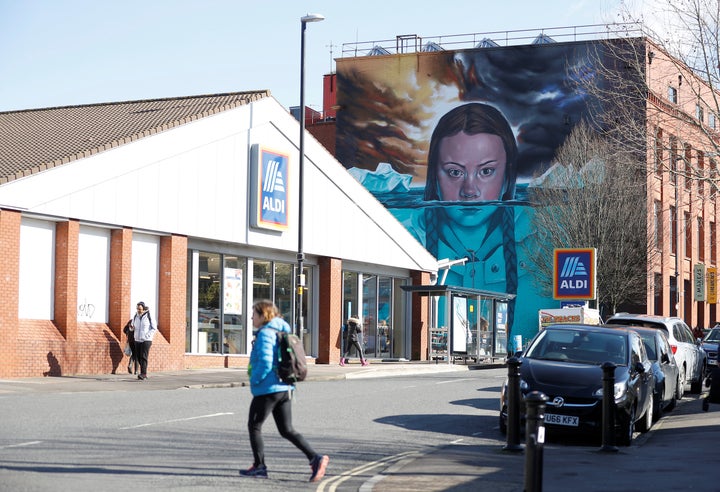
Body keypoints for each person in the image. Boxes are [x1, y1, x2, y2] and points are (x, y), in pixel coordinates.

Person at [240, 299, 329, 481]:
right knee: (286, 429)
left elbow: (265, 361)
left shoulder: (266, 333)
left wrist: (254, 379)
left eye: (254, 314)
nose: (251, 318)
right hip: (284, 387)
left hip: (268, 388)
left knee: (254, 426)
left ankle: (259, 466)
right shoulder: (282, 330)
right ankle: (315, 458)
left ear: (262, 315)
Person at [132, 301, 157, 380]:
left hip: (146, 340)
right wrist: (131, 328)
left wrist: (147, 336)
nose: (138, 310)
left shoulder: (149, 315)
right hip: (137, 339)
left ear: (143, 309)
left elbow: (154, 328)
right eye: (137, 309)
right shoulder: (136, 316)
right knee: (138, 357)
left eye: (139, 309)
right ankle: (143, 372)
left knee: (143, 356)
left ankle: (143, 374)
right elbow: (133, 325)